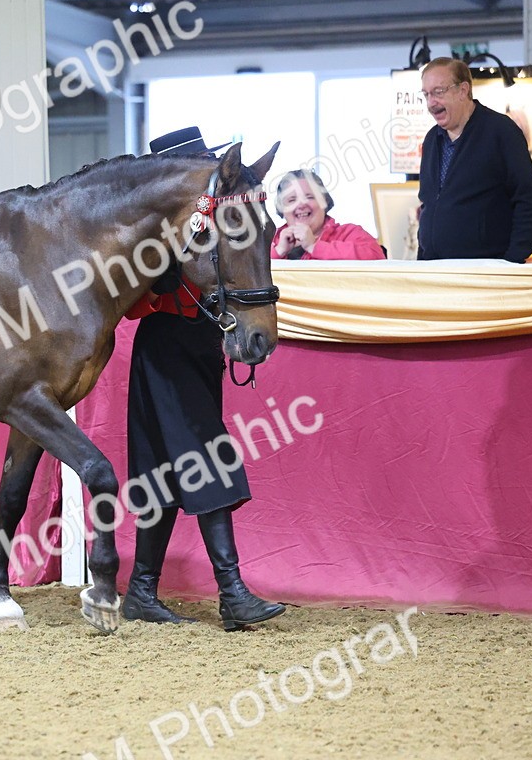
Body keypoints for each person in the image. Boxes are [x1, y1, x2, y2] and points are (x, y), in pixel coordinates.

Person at [121, 127, 286, 630]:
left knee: (164, 472)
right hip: (165, 344)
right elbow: (130, 306)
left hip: (197, 344)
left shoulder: (211, 220)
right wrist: (157, 280)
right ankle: (232, 592)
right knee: (206, 457)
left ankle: (141, 591)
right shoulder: (150, 228)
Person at [416, 57, 532, 263]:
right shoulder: (432, 140)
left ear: (463, 90)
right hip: (436, 269)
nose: (431, 103)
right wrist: (422, 258)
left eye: (438, 92)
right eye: (426, 94)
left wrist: (513, 261)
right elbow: (428, 204)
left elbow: (529, 199)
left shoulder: (501, 132)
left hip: (486, 271)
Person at [270, 169, 385, 260]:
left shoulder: (350, 233)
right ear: (282, 208)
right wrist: (278, 251)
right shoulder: (267, 241)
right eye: (292, 200)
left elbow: (377, 256)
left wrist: (314, 246)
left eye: (309, 197)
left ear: (324, 201)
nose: (301, 205)